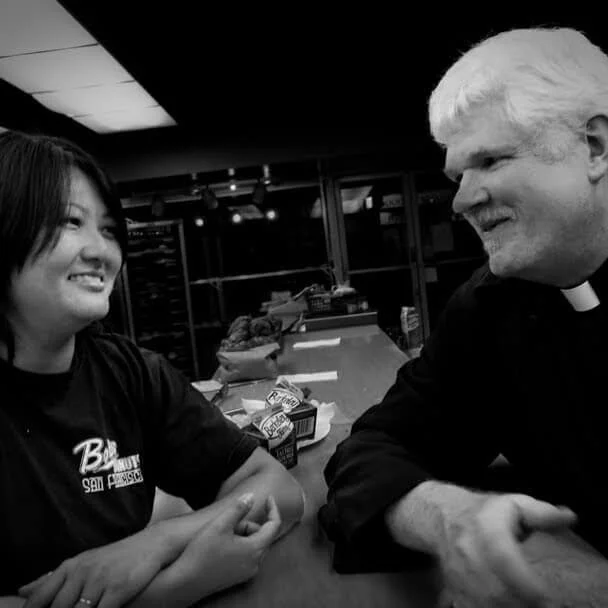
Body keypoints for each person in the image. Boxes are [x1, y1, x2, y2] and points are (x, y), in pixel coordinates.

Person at [320, 26, 608, 607]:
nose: (459, 201)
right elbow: (372, 447)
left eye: (492, 160)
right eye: (457, 175)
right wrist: (450, 517)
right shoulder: (490, 306)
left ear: (595, 147)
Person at [0, 130, 304, 608]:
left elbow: (280, 492)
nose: (102, 252)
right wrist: (179, 584)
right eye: (71, 222)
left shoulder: (131, 373)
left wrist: (155, 543)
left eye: (108, 229)